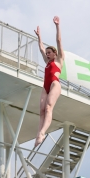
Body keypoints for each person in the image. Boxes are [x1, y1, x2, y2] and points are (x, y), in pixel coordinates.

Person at [34, 16, 64, 147]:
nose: (47, 54)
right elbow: (41, 48)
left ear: (55, 53)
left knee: (48, 107)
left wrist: (57, 26)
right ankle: (39, 133)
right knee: (41, 111)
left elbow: (58, 40)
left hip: (54, 84)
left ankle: (43, 132)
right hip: (45, 86)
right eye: (46, 53)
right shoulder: (47, 62)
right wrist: (39, 36)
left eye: (49, 52)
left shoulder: (59, 60)